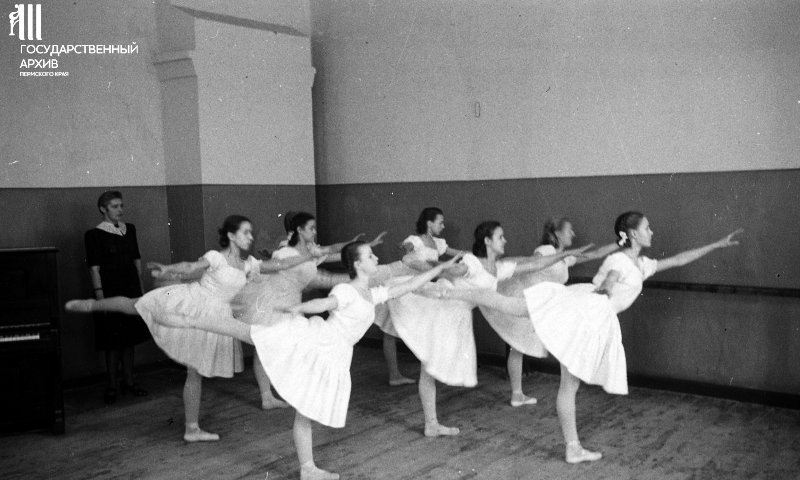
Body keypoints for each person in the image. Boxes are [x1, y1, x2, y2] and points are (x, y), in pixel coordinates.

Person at [427, 212, 742, 463]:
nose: (651, 232)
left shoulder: (642, 263)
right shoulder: (619, 261)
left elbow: (677, 259)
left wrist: (715, 245)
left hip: (589, 310)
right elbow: (610, 279)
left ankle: (573, 447)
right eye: (647, 228)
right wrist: (605, 291)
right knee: (526, 317)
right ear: (633, 234)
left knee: (557, 362)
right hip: (588, 310)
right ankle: (452, 292)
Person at [144, 242, 463, 480]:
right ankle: (180, 318)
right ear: (357, 264)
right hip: (317, 341)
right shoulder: (347, 290)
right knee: (249, 333)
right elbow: (327, 303)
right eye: (370, 256)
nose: (376, 258)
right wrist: (300, 309)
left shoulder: (372, 293)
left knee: (306, 407)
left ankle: (307, 468)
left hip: (333, 353)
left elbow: (408, 285)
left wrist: (440, 269)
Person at [66, 215, 317, 442]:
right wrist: (168, 269)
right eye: (245, 232)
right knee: (138, 305)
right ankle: (92, 305)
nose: (250, 237)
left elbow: (279, 266)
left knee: (198, 370)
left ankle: (192, 428)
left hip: (216, 316)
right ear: (231, 236)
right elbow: (189, 267)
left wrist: (309, 255)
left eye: (251, 232)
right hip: (192, 302)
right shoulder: (216, 257)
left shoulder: (249, 264)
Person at [233, 211, 386, 410]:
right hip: (274, 302)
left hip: (293, 303)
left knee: (293, 348)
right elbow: (272, 266)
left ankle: (290, 389)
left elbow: (332, 252)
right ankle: (266, 397)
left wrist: (361, 246)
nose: (314, 232)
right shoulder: (286, 253)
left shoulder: (311, 251)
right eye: (311, 228)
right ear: (299, 230)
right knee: (264, 346)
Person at [466, 220, 603, 407]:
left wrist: (621, 244)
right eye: (569, 230)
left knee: (524, 346)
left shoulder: (563, 257)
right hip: (530, 299)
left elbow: (594, 254)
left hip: (545, 304)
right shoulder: (546, 250)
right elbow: (531, 262)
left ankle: (523, 393)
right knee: (518, 346)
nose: (573, 233)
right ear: (557, 233)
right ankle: (518, 394)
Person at [84, 191, 151, 404]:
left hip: (131, 289)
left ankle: (129, 381)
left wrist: (141, 292)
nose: (120, 210)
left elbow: (137, 262)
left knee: (129, 338)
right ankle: (112, 384)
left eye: (121, 205)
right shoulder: (93, 235)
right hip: (110, 291)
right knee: (113, 341)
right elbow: (94, 269)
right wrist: (100, 297)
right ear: (103, 209)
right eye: (114, 206)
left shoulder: (130, 229)